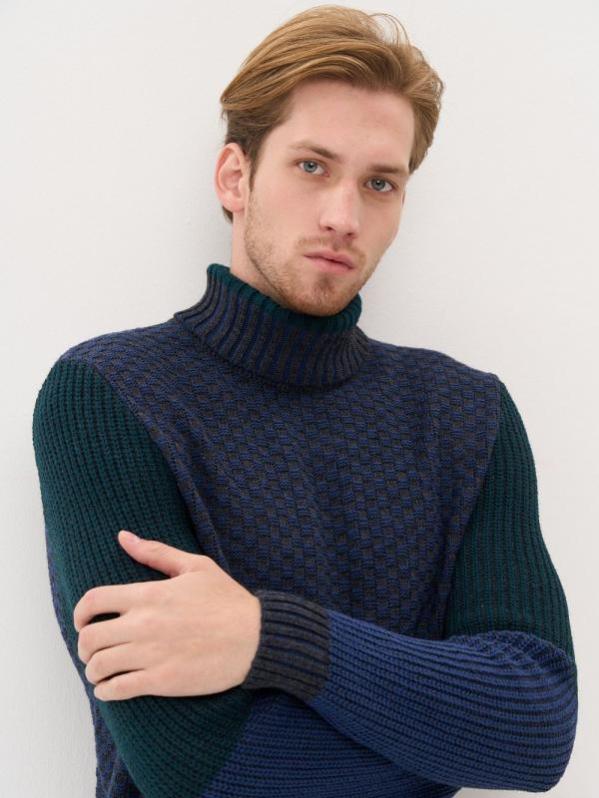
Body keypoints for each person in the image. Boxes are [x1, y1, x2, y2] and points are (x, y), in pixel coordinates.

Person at [32, 6, 577, 798]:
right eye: (312, 166)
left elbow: (534, 730)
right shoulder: (109, 396)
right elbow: (191, 766)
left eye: (379, 183)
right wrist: (446, 738)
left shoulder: (467, 415)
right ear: (235, 176)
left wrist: (270, 636)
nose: (342, 217)